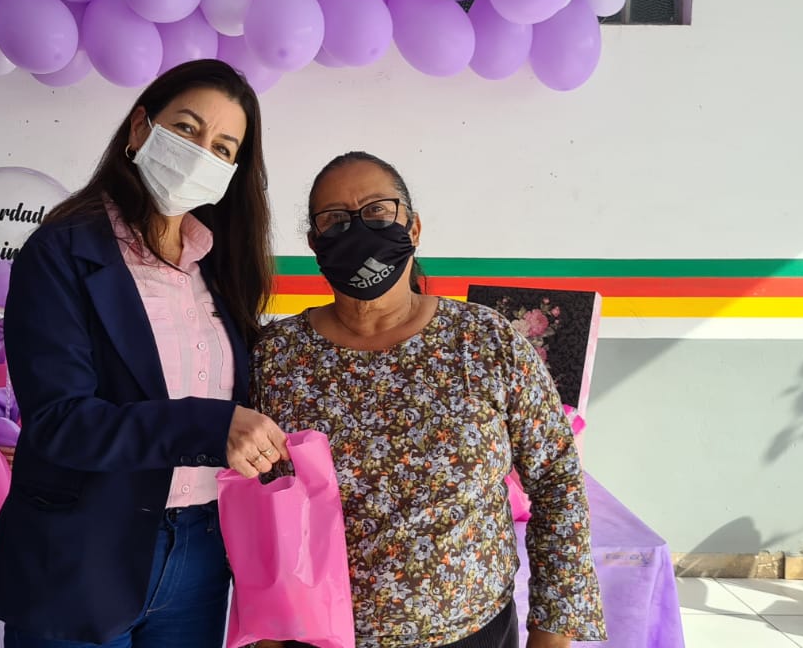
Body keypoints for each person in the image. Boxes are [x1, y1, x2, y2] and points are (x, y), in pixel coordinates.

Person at [0, 59, 290, 648]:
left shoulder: (218, 267)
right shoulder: (61, 252)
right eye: (187, 128)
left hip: (200, 549)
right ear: (141, 128)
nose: (201, 153)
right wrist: (210, 426)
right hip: (82, 549)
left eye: (223, 147)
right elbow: (61, 421)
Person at [252, 152, 607, 648]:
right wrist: (267, 633)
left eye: (378, 211)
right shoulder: (277, 356)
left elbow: (556, 480)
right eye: (335, 220)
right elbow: (255, 506)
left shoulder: (486, 341)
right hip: (316, 636)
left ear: (413, 227)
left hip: (473, 633)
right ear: (314, 242)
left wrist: (552, 632)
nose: (359, 230)